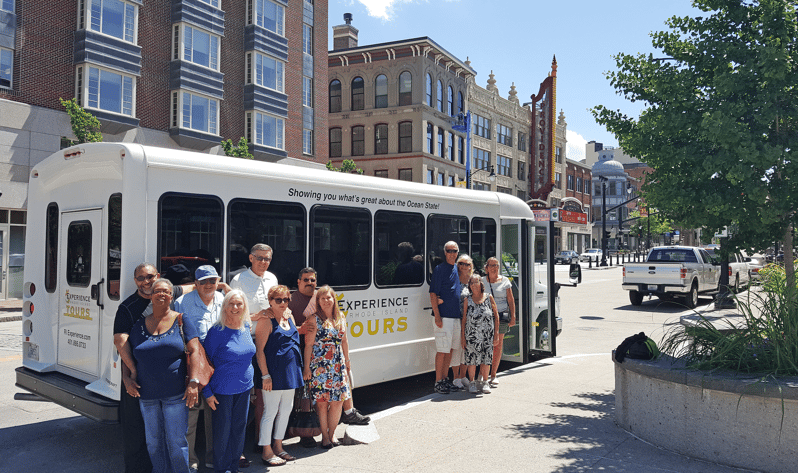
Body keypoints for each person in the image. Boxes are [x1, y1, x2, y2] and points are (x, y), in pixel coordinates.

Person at [114, 263, 189, 473]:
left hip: (172, 388)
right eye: (141, 278)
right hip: (141, 382)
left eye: (150, 277)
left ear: (158, 276)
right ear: (135, 281)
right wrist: (130, 374)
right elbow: (121, 343)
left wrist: (219, 285)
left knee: (176, 441)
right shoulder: (128, 310)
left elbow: (189, 288)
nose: (146, 282)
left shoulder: (170, 300)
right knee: (144, 436)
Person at [128, 278, 202, 473]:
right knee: (153, 443)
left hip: (176, 394)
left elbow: (195, 352)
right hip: (146, 395)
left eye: (166, 291)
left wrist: (193, 382)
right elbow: (127, 353)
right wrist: (126, 378)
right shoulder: (139, 326)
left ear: (171, 296)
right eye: (157, 291)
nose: (161, 294)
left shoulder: (181, 320)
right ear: (151, 297)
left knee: (177, 443)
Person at [288, 268, 369, 430]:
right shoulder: (290, 300)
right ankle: (307, 431)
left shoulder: (318, 298)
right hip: (300, 350)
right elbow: (285, 327)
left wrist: (347, 359)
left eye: (312, 280)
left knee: (339, 386)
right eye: (306, 280)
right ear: (298, 282)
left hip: (325, 354)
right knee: (309, 395)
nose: (310, 283)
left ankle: (349, 411)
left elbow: (342, 337)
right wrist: (300, 330)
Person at [229, 243, 278, 464]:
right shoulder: (238, 280)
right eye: (259, 258)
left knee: (263, 394)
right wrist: (254, 317)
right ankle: (237, 448)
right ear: (250, 258)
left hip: (267, 343)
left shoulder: (272, 279)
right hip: (245, 341)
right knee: (243, 394)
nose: (263, 262)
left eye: (267, 259)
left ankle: (261, 440)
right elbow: (232, 310)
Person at [174, 265, 224, 472]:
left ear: (217, 281)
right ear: (195, 283)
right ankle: (190, 461)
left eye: (212, 280)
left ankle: (213, 458)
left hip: (219, 364)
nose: (208, 285)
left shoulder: (223, 299)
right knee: (191, 416)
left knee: (214, 415)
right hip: (193, 365)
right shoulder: (181, 302)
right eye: (203, 281)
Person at [202, 290, 256, 473]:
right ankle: (222, 468)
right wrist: (207, 392)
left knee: (239, 429)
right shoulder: (216, 331)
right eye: (231, 303)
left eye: (239, 304)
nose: (235, 308)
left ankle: (234, 467)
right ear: (224, 306)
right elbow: (204, 363)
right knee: (222, 433)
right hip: (222, 390)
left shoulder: (246, 327)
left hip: (245, 387)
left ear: (244, 307)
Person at [255, 285, 304, 465]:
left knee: (285, 411)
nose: (283, 303)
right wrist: (265, 376)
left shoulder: (289, 316)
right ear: (270, 301)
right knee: (270, 411)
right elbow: (260, 351)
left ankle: (278, 446)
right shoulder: (266, 320)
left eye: (286, 299)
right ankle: (266, 450)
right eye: (278, 300)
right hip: (273, 374)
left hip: (291, 372)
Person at [303, 285, 351, 449]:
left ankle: (332, 434)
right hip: (320, 366)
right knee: (322, 403)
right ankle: (324, 437)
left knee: (338, 402)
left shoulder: (341, 317)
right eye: (322, 298)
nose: (326, 301)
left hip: (338, 366)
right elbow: (308, 345)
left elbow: (344, 341)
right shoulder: (313, 319)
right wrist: (307, 368)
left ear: (334, 299)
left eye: (329, 297)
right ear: (318, 301)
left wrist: (348, 361)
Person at [429, 241, 462, 394]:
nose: (452, 253)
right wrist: (437, 316)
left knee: (450, 350)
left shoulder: (457, 268)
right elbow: (433, 293)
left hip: (455, 317)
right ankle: (437, 382)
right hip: (443, 317)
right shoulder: (439, 269)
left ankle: (444, 379)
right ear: (445, 252)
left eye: (454, 250)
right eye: (449, 250)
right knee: (442, 350)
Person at [461, 275, 500, 394]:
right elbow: (464, 319)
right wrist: (463, 337)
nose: (473, 285)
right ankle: (472, 383)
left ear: (481, 284)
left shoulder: (489, 298)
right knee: (472, 359)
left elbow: (496, 316)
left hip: (487, 335)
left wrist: (496, 334)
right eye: (471, 283)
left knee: (486, 359)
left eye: (475, 282)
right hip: (472, 335)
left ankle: (484, 382)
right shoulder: (467, 300)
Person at [482, 257, 516, 387]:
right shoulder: (482, 281)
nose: (494, 268)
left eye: (496, 265)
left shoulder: (505, 281)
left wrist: (513, 317)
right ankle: (483, 373)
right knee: (485, 345)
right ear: (486, 268)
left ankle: (494, 375)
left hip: (501, 317)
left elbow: (511, 300)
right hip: (486, 317)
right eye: (491, 265)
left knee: (497, 345)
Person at [450, 254, 475, 391]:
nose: (464, 266)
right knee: (457, 348)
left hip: (470, 319)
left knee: (467, 348)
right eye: (461, 263)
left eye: (467, 264)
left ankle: (463, 376)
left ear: (471, 266)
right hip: (456, 318)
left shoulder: (473, 280)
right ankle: (455, 378)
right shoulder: (453, 279)